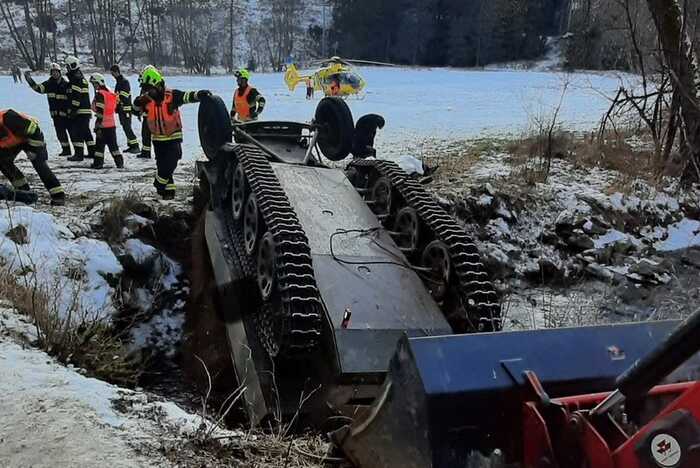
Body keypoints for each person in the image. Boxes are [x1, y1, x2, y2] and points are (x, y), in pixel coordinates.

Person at [133, 67, 211, 199]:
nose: (147, 92)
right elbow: (135, 111)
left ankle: (158, 184)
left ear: (157, 84)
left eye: (148, 88)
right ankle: (168, 193)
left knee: (171, 163)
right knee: (163, 167)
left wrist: (200, 95)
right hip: (157, 140)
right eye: (145, 89)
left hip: (173, 138)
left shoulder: (172, 96)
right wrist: (137, 103)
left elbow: (187, 96)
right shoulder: (146, 99)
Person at [0, 109, 65, 205]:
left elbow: (33, 130)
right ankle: (23, 191)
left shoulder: (9, 118)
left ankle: (58, 196)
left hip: (32, 138)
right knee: (3, 163)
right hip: (13, 142)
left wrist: (35, 150)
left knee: (39, 164)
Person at [25, 63, 74, 157]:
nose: (55, 74)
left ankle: (77, 151)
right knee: (60, 133)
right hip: (56, 115)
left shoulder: (66, 84)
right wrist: (30, 80)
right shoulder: (48, 84)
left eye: (56, 72)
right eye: (53, 72)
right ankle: (66, 150)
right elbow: (38, 88)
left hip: (67, 114)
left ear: (60, 72)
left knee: (72, 133)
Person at [88, 74, 123, 170]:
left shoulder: (100, 94)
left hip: (103, 125)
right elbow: (116, 107)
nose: (94, 86)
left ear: (99, 83)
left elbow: (100, 111)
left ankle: (98, 163)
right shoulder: (110, 94)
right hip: (111, 125)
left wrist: (98, 125)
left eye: (95, 84)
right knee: (113, 146)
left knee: (99, 147)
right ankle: (119, 162)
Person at [64, 56, 96, 161]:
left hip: (80, 112)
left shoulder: (75, 79)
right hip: (85, 111)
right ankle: (92, 151)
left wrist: (72, 110)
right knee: (86, 133)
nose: (67, 69)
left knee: (78, 133)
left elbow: (76, 97)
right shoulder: (80, 77)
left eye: (68, 66)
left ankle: (79, 154)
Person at [109, 64, 140, 154]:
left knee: (127, 128)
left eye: (113, 74)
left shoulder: (124, 82)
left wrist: (116, 98)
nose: (112, 76)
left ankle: (135, 146)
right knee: (125, 127)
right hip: (121, 109)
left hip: (125, 109)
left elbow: (124, 96)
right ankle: (131, 145)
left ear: (117, 72)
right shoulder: (119, 82)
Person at [133, 66, 153, 159]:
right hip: (147, 114)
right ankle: (145, 151)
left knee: (146, 134)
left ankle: (146, 153)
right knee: (145, 135)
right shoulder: (146, 87)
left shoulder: (149, 88)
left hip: (149, 115)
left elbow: (144, 100)